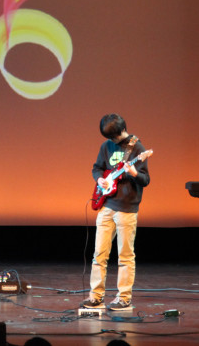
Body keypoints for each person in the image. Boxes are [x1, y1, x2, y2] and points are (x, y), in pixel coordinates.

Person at [81, 113, 150, 312]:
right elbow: (97, 168)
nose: (112, 141)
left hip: (126, 209)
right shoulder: (106, 147)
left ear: (121, 131)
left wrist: (134, 173)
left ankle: (124, 298)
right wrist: (99, 180)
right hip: (106, 206)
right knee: (99, 255)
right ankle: (96, 296)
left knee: (125, 256)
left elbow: (145, 180)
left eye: (113, 137)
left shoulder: (137, 148)